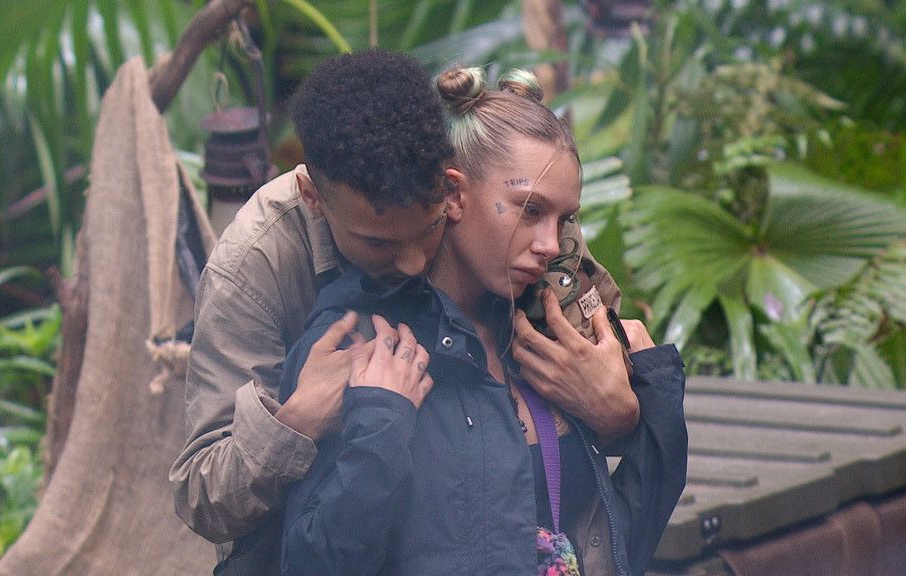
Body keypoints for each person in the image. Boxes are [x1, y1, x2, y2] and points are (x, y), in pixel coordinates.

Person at [169, 50, 638, 567]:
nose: (414, 264)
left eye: (430, 228)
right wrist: (298, 420)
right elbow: (204, 495)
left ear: (452, 188)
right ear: (313, 198)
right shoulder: (258, 261)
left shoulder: (517, 205)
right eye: (378, 243)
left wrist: (618, 408)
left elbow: (605, 338)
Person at [275, 66, 687, 576]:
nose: (550, 244)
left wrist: (651, 396)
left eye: (564, 219)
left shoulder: (550, 343)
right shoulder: (359, 345)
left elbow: (619, 545)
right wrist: (380, 423)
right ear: (453, 195)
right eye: (529, 210)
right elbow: (309, 563)